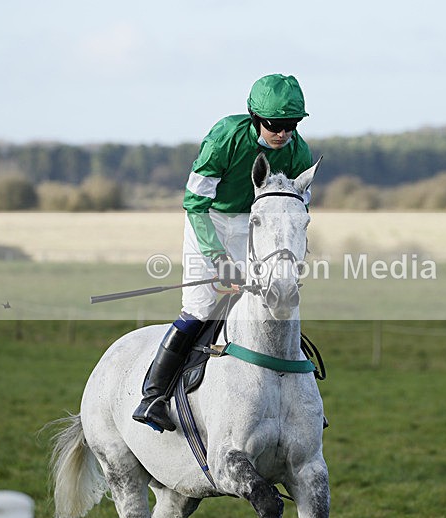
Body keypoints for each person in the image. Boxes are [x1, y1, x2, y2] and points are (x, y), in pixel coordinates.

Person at [133, 74, 314, 431]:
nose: (282, 133)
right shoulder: (223, 138)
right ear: (255, 117)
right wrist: (218, 260)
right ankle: (152, 397)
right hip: (209, 221)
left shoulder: (299, 153)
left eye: (290, 125)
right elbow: (194, 203)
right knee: (202, 307)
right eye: (274, 125)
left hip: (253, 225)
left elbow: (293, 210)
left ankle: (299, 402)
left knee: (267, 305)